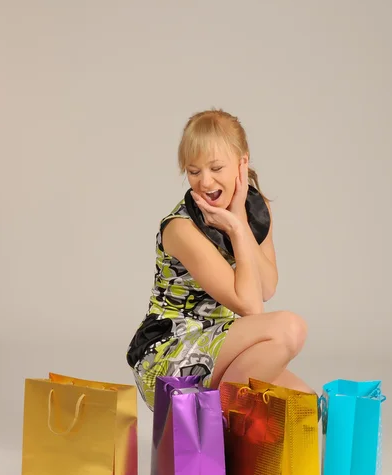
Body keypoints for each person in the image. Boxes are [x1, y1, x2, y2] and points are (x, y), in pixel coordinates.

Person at [126, 109, 313, 410]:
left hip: (220, 346)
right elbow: (252, 307)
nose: (205, 181)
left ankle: (221, 425)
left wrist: (239, 215)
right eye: (194, 171)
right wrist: (237, 230)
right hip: (169, 356)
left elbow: (266, 288)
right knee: (289, 329)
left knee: (304, 404)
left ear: (242, 164)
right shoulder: (181, 228)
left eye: (216, 168)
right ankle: (217, 427)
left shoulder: (254, 209)